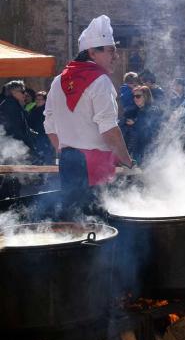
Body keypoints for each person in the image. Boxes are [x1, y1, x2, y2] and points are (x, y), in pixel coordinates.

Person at [44, 15, 134, 216]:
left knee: (74, 223)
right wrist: (128, 162)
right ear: (92, 52)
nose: (116, 56)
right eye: (111, 50)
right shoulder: (101, 81)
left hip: (67, 162)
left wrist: (67, 151)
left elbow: (49, 126)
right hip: (95, 165)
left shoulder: (58, 81)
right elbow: (110, 130)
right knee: (98, 226)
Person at [123, 85, 162, 163]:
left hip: (148, 151)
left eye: (138, 96)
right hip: (136, 150)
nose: (135, 99)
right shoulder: (135, 111)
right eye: (134, 96)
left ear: (145, 96)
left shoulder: (153, 110)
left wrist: (135, 123)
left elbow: (150, 129)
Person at [0, 80, 36, 151]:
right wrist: (27, 144)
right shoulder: (10, 105)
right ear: (13, 92)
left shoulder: (13, 104)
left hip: (14, 145)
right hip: (14, 146)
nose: (25, 94)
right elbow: (14, 128)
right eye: (22, 91)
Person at [28, 91, 54, 164]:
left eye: (41, 99)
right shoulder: (34, 109)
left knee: (46, 156)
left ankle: (47, 173)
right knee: (39, 157)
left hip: (45, 137)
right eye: (37, 99)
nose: (38, 101)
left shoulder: (47, 111)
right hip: (37, 137)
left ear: (45, 100)